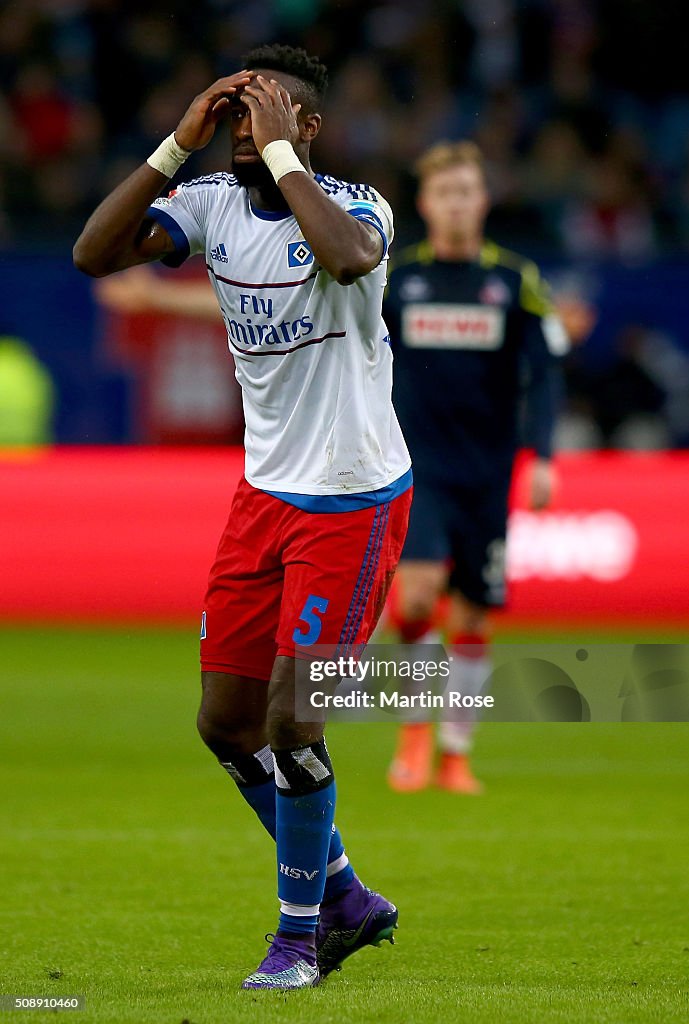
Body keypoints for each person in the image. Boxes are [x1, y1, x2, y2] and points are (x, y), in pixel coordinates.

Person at [74, 44, 412, 991]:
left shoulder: (357, 207)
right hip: (263, 497)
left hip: (351, 499)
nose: (237, 132)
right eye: (230, 116)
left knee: (294, 720)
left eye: (256, 115)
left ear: (303, 128)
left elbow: (347, 260)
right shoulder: (210, 205)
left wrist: (283, 155)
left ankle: (299, 938)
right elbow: (94, 253)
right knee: (226, 723)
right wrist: (175, 145)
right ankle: (343, 892)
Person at [382, 140, 567, 795]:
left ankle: (455, 753)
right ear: (426, 204)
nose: (457, 203)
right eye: (445, 193)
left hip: (487, 472)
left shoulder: (516, 281)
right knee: (418, 593)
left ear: (482, 200)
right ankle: (412, 734)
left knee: (472, 618)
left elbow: (543, 375)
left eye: (467, 191)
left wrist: (542, 458)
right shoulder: (396, 280)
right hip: (415, 464)